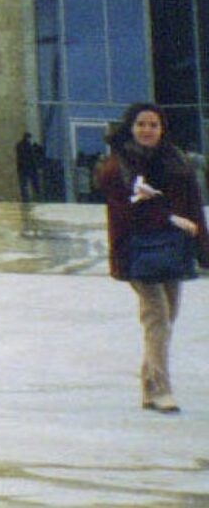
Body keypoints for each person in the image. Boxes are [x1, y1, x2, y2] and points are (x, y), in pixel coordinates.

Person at [96, 103, 209, 414]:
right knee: (156, 315)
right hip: (136, 251)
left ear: (162, 129)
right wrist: (163, 212)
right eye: (141, 124)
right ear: (130, 127)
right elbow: (124, 208)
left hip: (172, 250)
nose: (147, 130)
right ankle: (162, 389)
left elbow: (193, 207)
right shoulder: (117, 165)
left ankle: (148, 386)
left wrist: (202, 246)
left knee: (166, 318)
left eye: (153, 125)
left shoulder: (177, 162)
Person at [15, 132, 45, 203]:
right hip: (30, 168)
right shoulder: (30, 146)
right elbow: (35, 156)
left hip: (23, 168)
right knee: (34, 185)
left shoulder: (20, 145)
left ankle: (27, 200)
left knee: (24, 186)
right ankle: (38, 199)